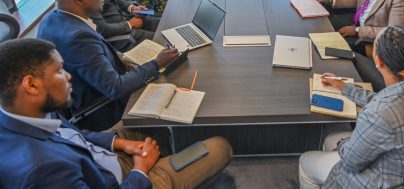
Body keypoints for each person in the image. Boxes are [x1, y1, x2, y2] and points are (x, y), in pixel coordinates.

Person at [0, 38, 233, 189]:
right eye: (60, 71)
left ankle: (167, 159)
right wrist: (141, 169)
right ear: (31, 85)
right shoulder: (43, 171)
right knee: (221, 146)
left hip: (103, 155)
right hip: (124, 180)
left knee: (157, 118)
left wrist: (118, 142)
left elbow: (73, 136)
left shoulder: (24, 113)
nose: (69, 76)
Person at [299, 26, 404, 189]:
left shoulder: (378, 114)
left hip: (381, 181)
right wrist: (344, 87)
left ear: (378, 60)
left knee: (307, 160)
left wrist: (342, 144)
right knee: (330, 139)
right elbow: (386, 102)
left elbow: (351, 162)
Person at [37, 0, 179, 131]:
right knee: (174, 85)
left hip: (95, 88)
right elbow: (115, 88)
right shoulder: (78, 39)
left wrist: (115, 55)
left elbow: (90, 57)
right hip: (105, 109)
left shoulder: (52, 18)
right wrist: (156, 63)